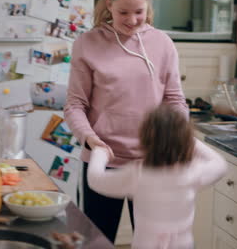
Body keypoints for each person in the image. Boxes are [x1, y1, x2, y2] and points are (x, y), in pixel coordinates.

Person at [63, 0, 188, 243]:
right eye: (123, 12)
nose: (132, 20)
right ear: (109, 4)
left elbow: (175, 100)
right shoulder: (87, 43)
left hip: (152, 163)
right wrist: (90, 139)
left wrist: (175, 137)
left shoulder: (162, 43)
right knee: (97, 242)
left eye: (139, 12)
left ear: (148, 7)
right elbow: (75, 105)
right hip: (102, 164)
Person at [87, 105, 228, 248]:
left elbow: (95, 179)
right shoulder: (193, 172)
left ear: (145, 139)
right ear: (185, 139)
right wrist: (186, 140)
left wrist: (100, 153)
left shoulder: (137, 174)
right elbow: (220, 163)